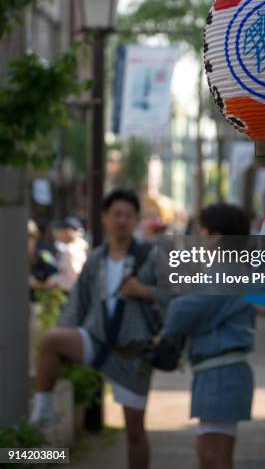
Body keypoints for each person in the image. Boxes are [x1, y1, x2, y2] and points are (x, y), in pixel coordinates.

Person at [30, 189, 171, 469]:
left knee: (134, 429)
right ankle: (44, 410)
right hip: (95, 339)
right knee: (52, 340)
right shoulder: (95, 258)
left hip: (133, 352)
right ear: (105, 217)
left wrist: (144, 291)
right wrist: (67, 345)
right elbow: (77, 304)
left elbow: (175, 297)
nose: (122, 220)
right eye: (116, 214)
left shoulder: (153, 256)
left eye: (128, 215)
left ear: (136, 220)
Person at [161, 203, 255, 469]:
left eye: (200, 231)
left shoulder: (226, 272)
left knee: (213, 455)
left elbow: (183, 310)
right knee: (210, 453)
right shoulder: (227, 269)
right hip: (219, 372)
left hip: (221, 374)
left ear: (215, 235)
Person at [46, 217, 88, 293]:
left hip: (73, 295)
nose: (57, 233)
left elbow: (75, 278)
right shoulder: (81, 246)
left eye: (60, 230)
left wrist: (55, 280)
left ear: (68, 231)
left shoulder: (71, 250)